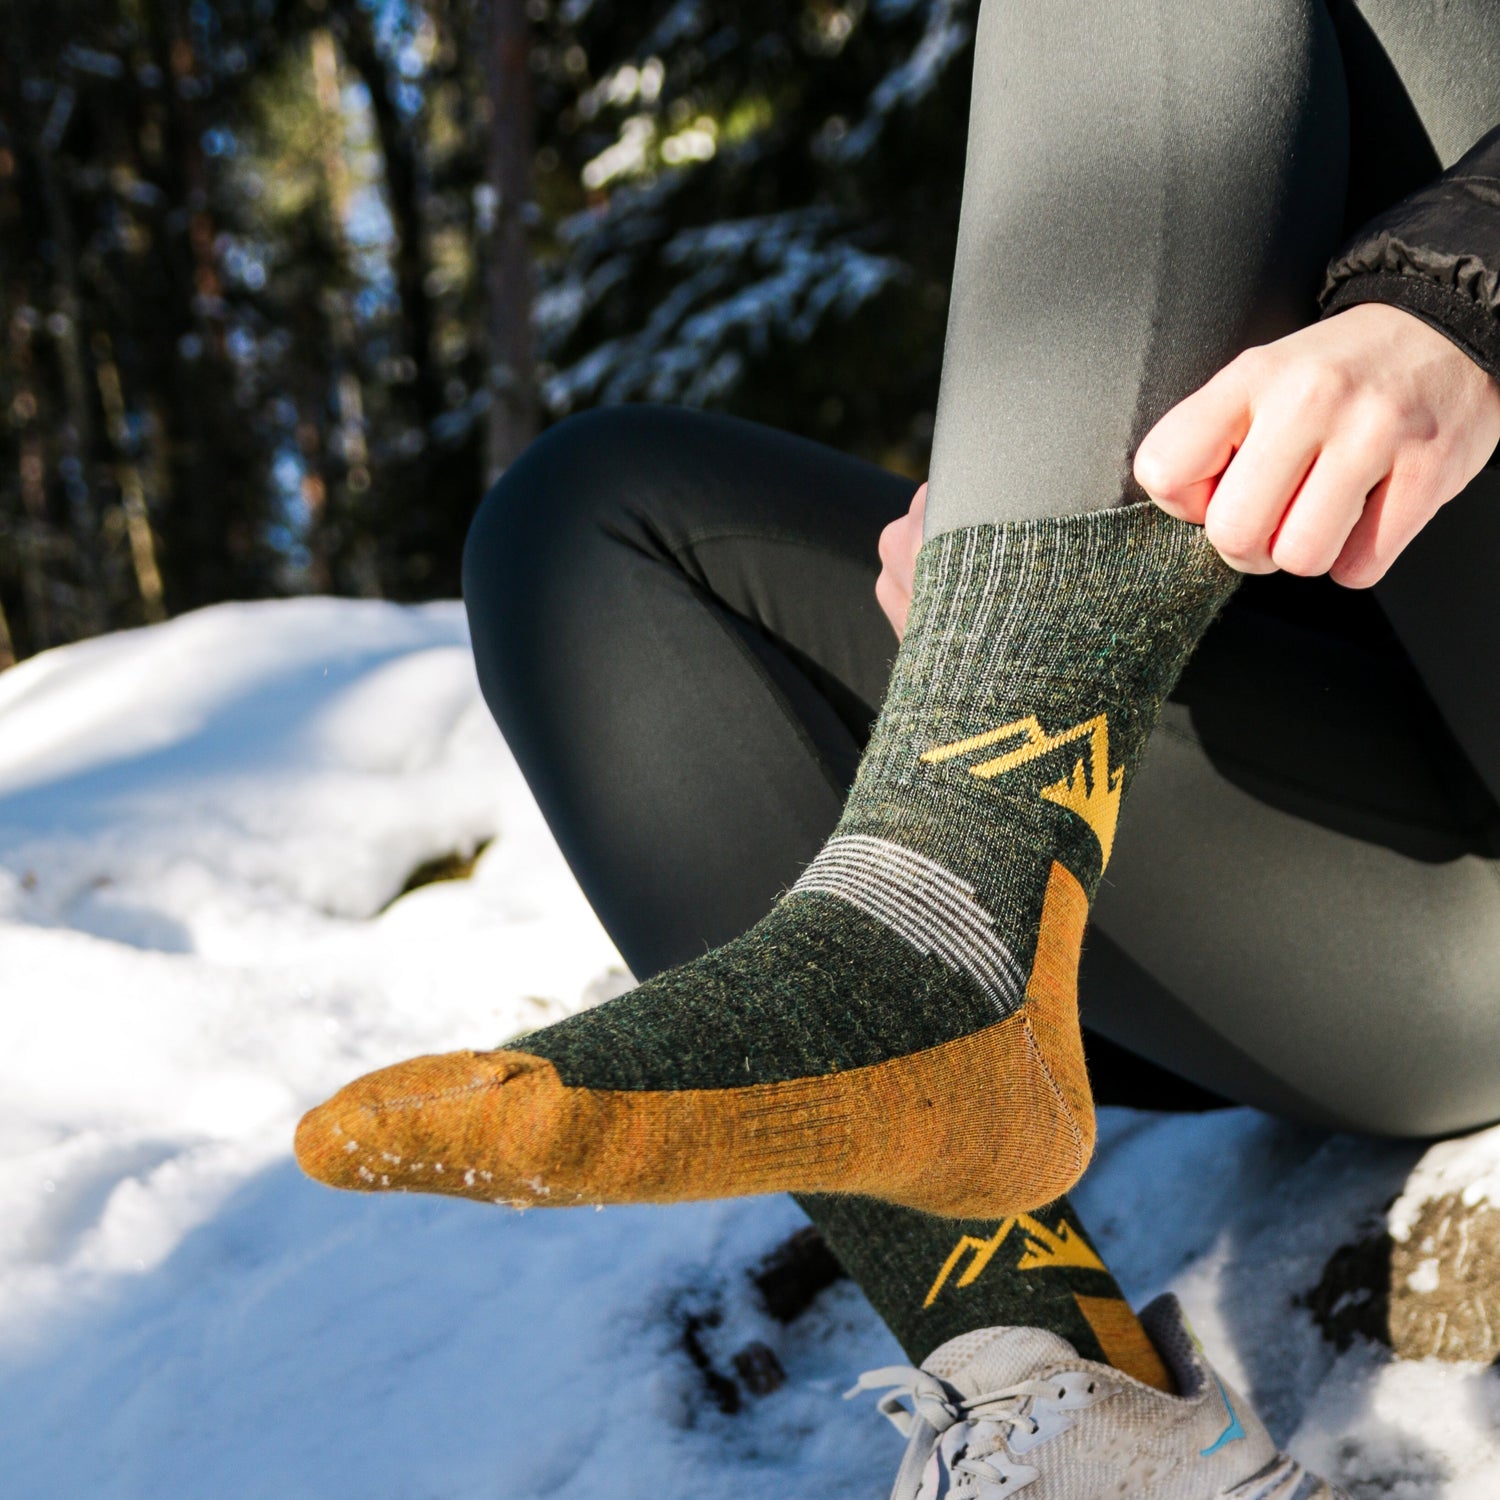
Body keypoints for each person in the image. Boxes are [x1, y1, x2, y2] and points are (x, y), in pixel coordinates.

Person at [296, 1, 1500, 1494]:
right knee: (593, 526)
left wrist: (1457, 305)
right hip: (1401, 927)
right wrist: (1037, 514)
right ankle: (1069, 1404)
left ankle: (938, 943)